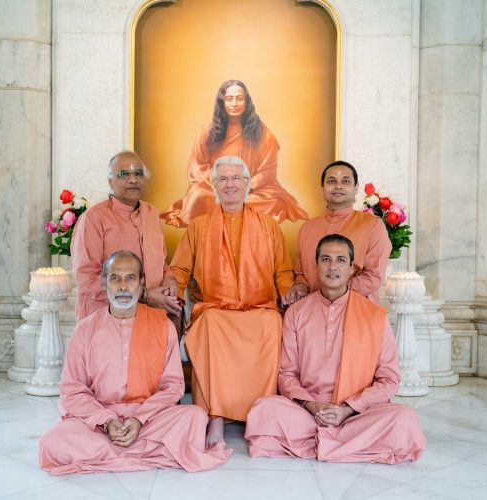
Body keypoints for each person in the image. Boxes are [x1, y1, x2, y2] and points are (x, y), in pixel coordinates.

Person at [39, 251, 230, 474]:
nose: (122, 286)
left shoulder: (162, 326)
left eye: (130, 278)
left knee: (195, 417)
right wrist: (107, 421)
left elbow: (173, 387)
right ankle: (153, 452)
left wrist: (139, 419)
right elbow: (72, 391)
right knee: (52, 442)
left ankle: (109, 455)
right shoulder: (85, 330)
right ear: (104, 284)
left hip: (148, 419)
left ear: (141, 285)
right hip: (101, 420)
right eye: (115, 278)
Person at [245, 234, 426, 463]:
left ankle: (320, 444)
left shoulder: (374, 315)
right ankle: (348, 446)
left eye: (341, 260)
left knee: (404, 418)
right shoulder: (296, 313)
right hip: (309, 411)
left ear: (352, 268)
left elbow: (389, 379)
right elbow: (286, 373)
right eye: (326, 259)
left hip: (357, 413)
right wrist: (312, 405)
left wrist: (348, 409)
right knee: (264, 409)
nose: (333, 266)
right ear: (316, 265)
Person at [170, 155, 294, 448]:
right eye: (223, 179)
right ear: (213, 185)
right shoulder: (198, 227)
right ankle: (215, 417)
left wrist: (289, 292)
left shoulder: (268, 226)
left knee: (273, 323)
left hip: (259, 308)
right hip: (215, 308)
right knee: (210, 325)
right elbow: (179, 270)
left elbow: (283, 271)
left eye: (236, 178)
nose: (230, 185)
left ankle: (261, 418)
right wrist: (172, 293)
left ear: (247, 184)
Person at [162, 79, 308, 227]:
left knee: (274, 202)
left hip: (251, 191)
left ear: (246, 102)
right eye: (229, 99)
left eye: (239, 99)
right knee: (198, 195)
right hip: (216, 189)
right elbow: (197, 169)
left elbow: (268, 170)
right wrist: (222, 185)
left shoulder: (262, 133)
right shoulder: (207, 132)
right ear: (222, 102)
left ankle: (232, 211)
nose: (234, 104)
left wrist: (246, 186)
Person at [71, 151, 181, 320]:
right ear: (110, 181)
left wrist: (170, 278)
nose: (133, 179)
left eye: (138, 173)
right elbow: (87, 278)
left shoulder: (151, 213)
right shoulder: (93, 219)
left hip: (149, 315)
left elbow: (159, 261)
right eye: (124, 174)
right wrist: (144, 296)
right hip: (105, 316)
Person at [285, 160, 391, 305]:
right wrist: (300, 287)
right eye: (331, 181)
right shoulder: (307, 228)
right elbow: (300, 274)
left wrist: (330, 294)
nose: (338, 186)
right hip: (313, 312)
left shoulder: (373, 225)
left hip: (356, 309)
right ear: (322, 188)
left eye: (345, 181)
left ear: (356, 187)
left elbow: (373, 276)